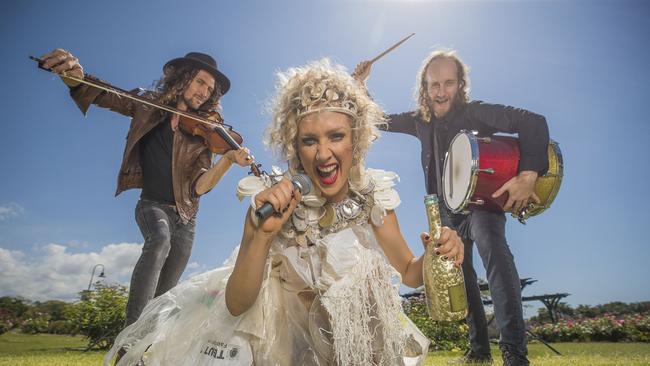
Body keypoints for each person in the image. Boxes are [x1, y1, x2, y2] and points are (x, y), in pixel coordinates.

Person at [103, 59, 464, 366]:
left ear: (356, 138)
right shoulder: (275, 202)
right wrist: (257, 236)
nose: (323, 154)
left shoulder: (373, 199)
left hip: (358, 343)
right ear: (294, 145)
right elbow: (237, 304)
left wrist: (436, 255)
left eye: (336, 136)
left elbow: (410, 273)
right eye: (310, 141)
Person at [353, 50, 550, 366]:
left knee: (497, 263)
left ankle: (514, 354)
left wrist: (528, 175)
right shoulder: (420, 121)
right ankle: (480, 352)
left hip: (482, 206)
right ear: (425, 87)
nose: (440, 92)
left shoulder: (476, 113)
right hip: (445, 213)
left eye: (448, 83)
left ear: (460, 85)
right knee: (463, 280)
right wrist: (361, 85)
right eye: (434, 85)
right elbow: (379, 119)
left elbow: (533, 123)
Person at [38, 49, 252, 334]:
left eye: (210, 90)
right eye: (201, 82)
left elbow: (199, 187)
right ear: (182, 77)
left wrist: (226, 159)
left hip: (187, 219)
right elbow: (107, 96)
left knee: (165, 295)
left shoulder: (204, 132)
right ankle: (129, 335)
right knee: (159, 240)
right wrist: (75, 78)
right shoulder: (148, 105)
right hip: (152, 205)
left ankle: (146, 347)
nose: (204, 92)